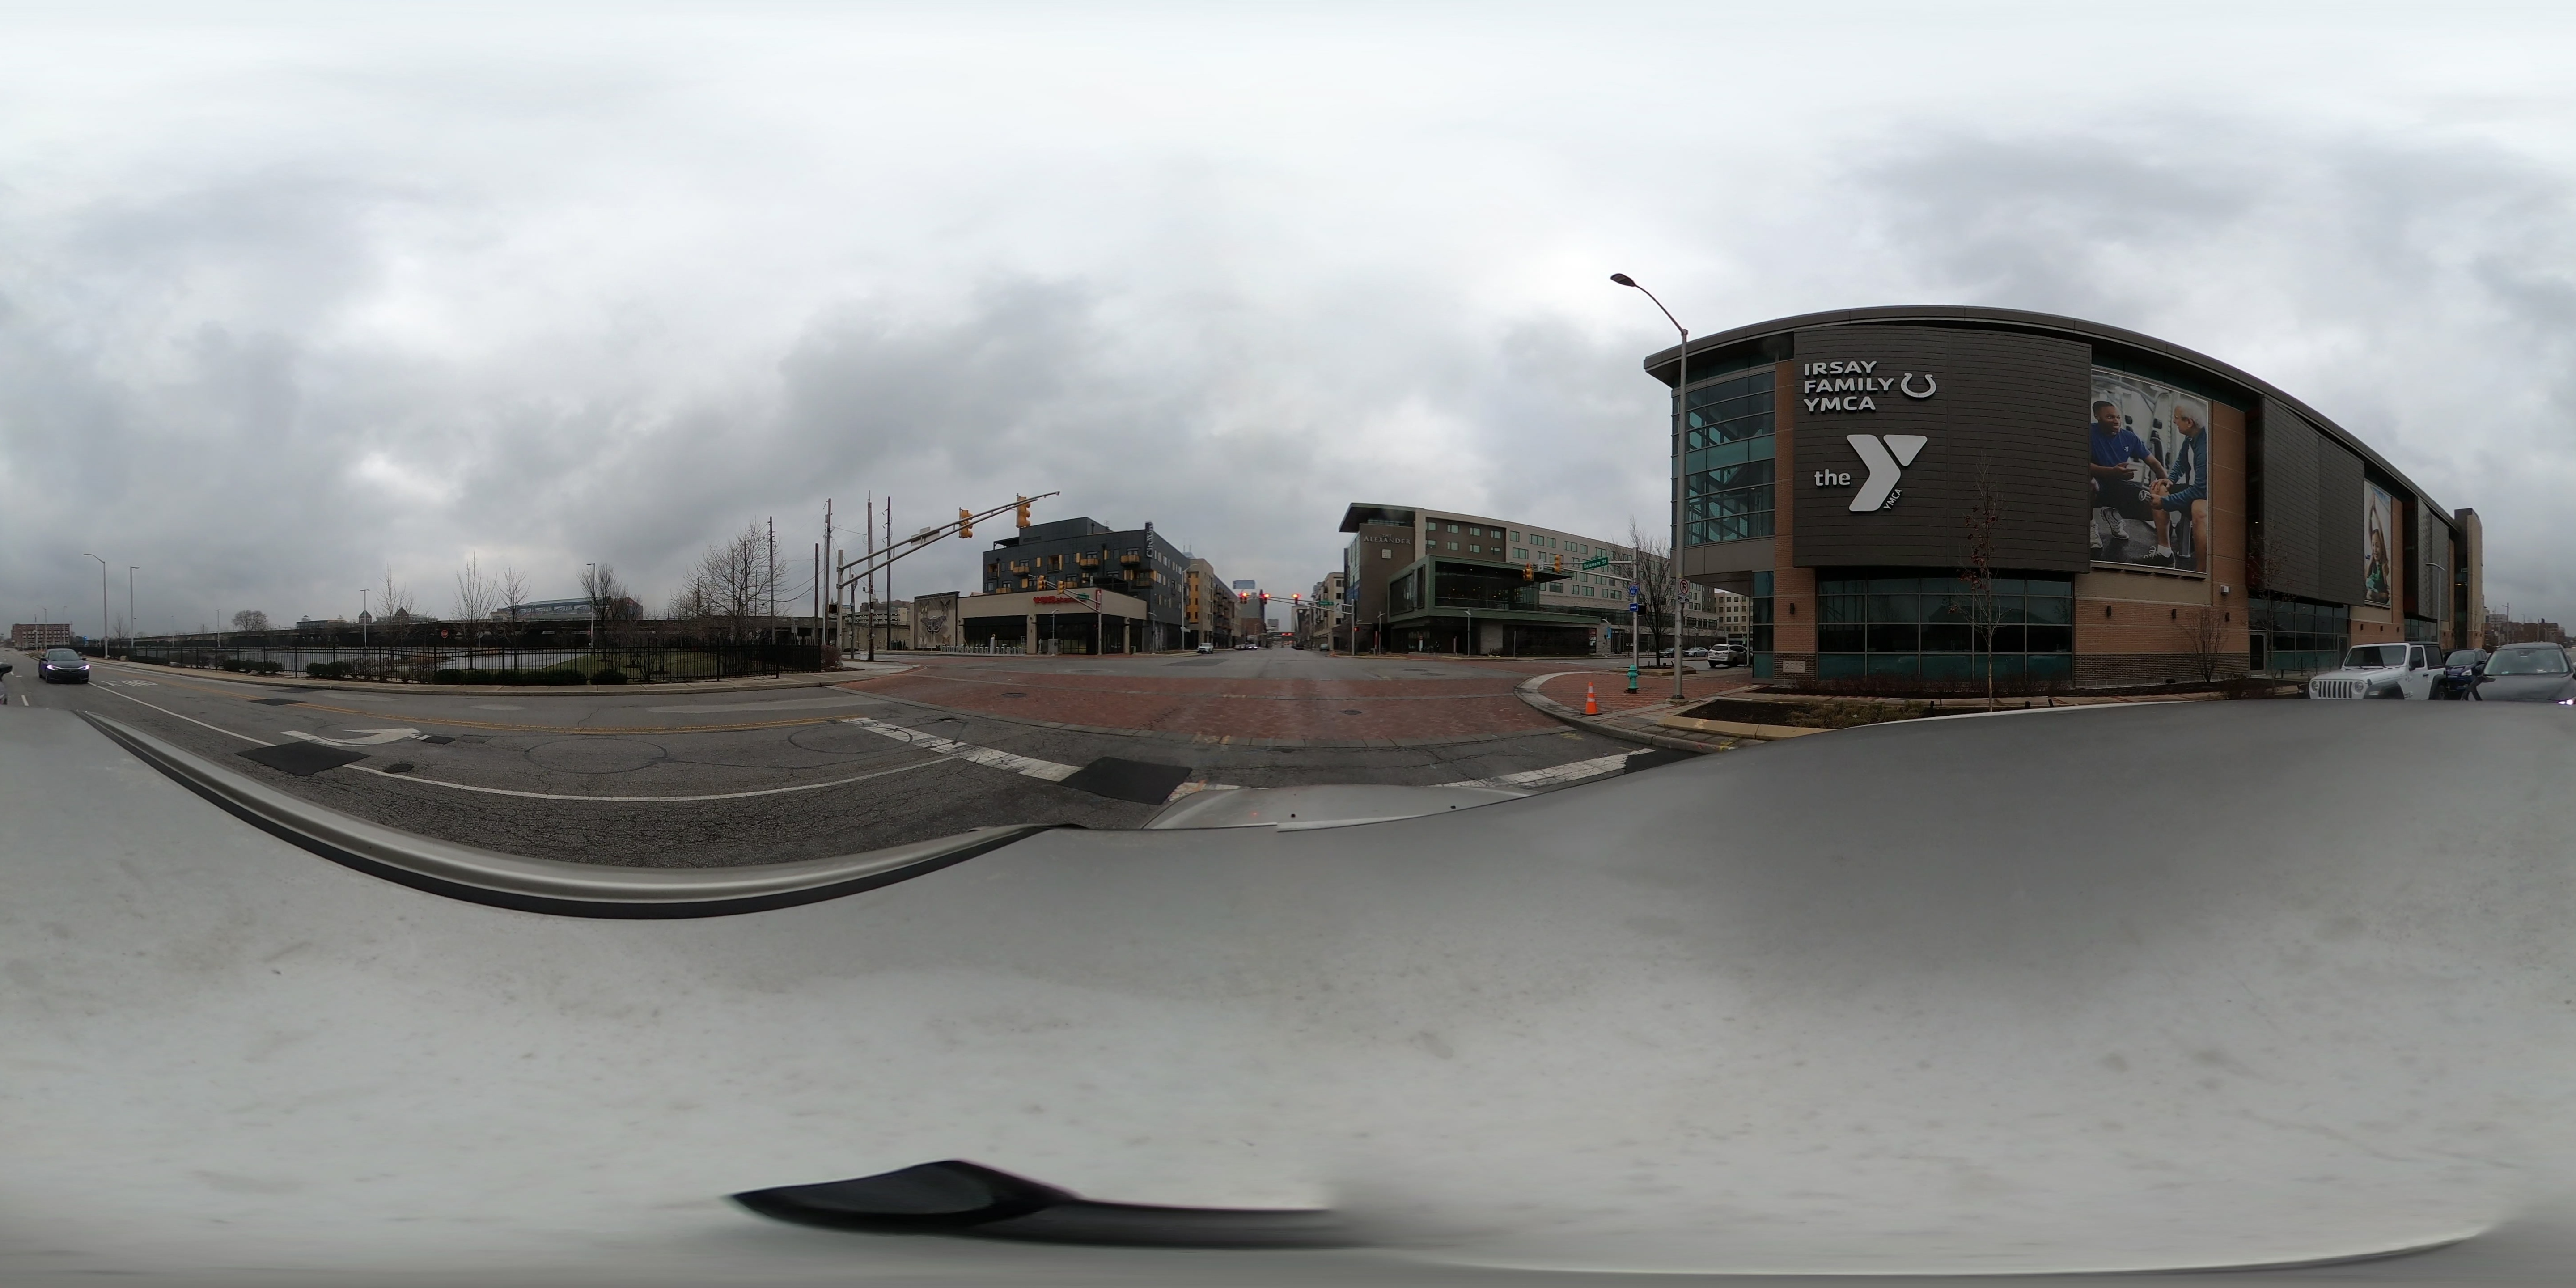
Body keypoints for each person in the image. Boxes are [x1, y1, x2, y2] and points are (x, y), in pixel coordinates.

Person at [2089, 399, 2165, 559]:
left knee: (2155, 508)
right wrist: (2113, 472)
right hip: (2096, 483)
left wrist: (2166, 484)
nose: (2116, 421)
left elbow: (2153, 462)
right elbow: (2082, 465)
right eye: (2110, 417)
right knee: (2089, 484)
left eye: (2118, 417)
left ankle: (2115, 516)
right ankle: (2090, 525)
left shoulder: (2129, 438)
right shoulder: (2088, 432)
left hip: (2118, 484)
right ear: (2097, 417)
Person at [2149, 405, 2210, 570]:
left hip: (2209, 497)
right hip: (2196, 489)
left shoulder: (2205, 447)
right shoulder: (2190, 438)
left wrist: (2164, 503)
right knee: (2158, 488)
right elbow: (2182, 463)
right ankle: (2165, 552)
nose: (2174, 422)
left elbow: (2201, 490)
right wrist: (2170, 479)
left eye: (2177, 418)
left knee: (2199, 510)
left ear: (2189, 422)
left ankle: (2202, 571)